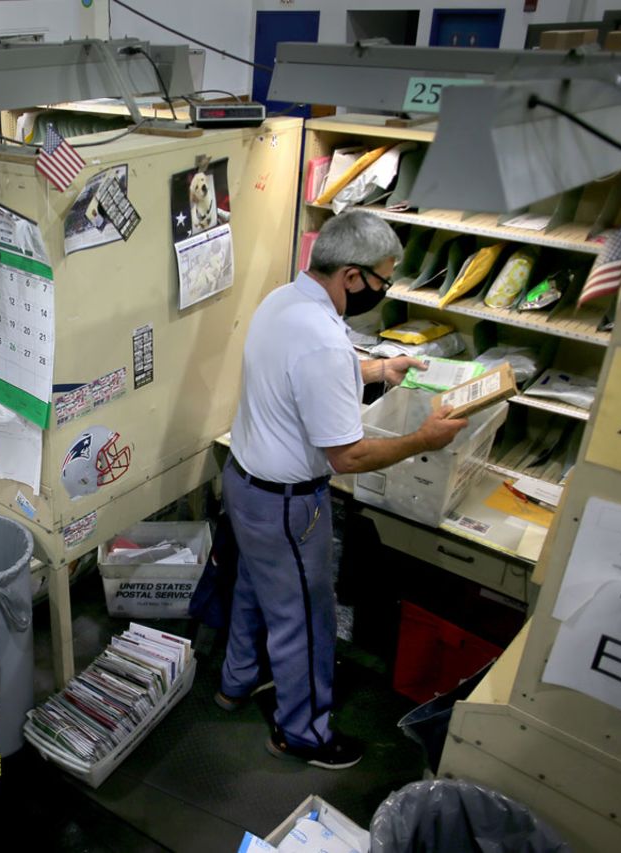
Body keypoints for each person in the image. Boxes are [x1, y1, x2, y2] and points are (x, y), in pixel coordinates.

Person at [217, 210, 469, 769]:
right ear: (352, 277)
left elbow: (307, 367)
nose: (385, 288)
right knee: (305, 619)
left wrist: (378, 371)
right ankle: (302, 734)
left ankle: (235, 683)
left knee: (255, 589)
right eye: (383, 279)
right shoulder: (324, 344)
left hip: (244, 481)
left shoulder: (283, 300)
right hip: (287, 505)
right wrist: (423, 438)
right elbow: (349, 455)